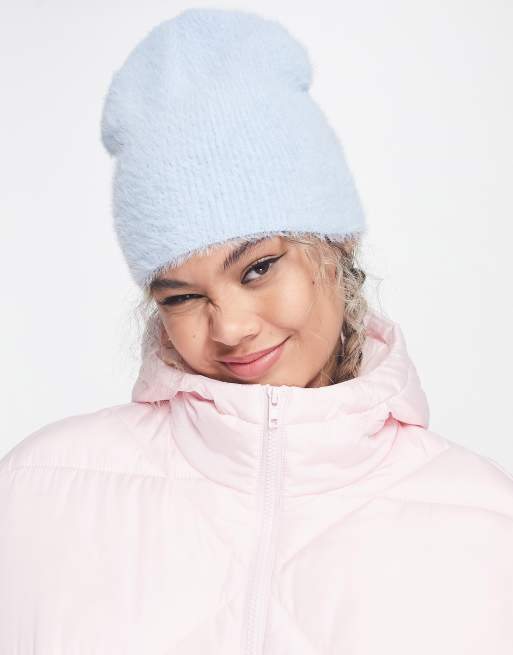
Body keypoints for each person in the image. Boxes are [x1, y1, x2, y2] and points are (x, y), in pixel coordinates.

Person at [1, 8, 512, 654]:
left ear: (336, 246)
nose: (231, 328)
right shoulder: (35, 493)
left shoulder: (487, 523)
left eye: (258, 268)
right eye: (183, 296)